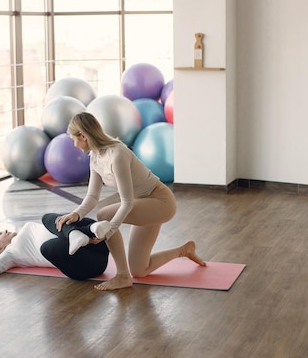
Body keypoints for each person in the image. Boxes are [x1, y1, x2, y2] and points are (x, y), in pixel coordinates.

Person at [55, 112, 206, 291]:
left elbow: (126, 202)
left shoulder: (117, 154)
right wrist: (76, 213)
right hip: (143, 205)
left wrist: (109, 229)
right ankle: (184, 250)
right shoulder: (94, 157)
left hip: (160, 202)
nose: (74, 144)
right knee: (140, 269)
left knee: (104, 214)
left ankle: (122, 276)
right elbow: (93, 196)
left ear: (83, 136)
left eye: (74, 139)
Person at [0, 213, 109, 291]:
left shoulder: (23, 230)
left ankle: (83, 231)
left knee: (48, 218)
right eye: (0, 235)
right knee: (48, 248)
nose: (5, 230)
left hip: (97, 243)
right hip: (88, 263)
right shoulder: (11, 254)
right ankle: (77, 235)